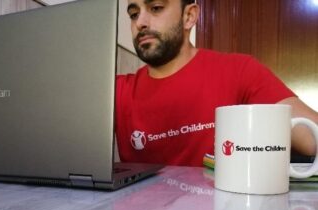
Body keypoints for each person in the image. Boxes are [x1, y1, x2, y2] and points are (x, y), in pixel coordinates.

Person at [115, 0, 318, 167]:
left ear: (189, 16)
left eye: (156, 8)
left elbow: (312, 138)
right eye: (133, 14)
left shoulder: (240, 71)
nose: (140, 22)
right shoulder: (115, 93)